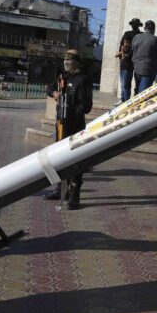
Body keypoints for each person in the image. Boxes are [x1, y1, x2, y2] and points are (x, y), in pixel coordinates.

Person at [44, 49, 93, 209]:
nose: (66, 62)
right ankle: (60, 189)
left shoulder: (83, 80)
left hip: (75, 126)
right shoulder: (62, 77)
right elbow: (48, 87)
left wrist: (71, 110)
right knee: (58, 159)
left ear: (77, 62)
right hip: (60, 125)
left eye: (69, 59)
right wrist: (54, 93)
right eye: (65, 59)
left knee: (76, 161)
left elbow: (86, 107)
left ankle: (74, 195)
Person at [130, 20, 157, 93]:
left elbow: (132, 50)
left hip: (137, 68)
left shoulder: (136, 37)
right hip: (149, 69)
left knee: (137, 89)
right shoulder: (156, 39)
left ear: (145, 28)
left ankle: (134, 103)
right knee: (143, 94)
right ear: (154, 29)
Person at [116, 18, 143, 103]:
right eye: (132, 24)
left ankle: (128, 100)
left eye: (135, 24)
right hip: (126, 62)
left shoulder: (141, 34)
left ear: (138, 25)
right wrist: (121, 55)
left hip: (137, 61)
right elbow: (121, 46)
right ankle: (123, 99)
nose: (134, 25)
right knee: (123, 83)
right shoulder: (127, 33)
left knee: (134, 83)